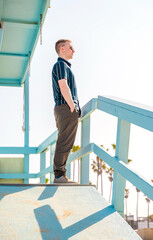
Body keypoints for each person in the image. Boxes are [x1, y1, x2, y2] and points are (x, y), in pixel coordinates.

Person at [52, 39, 81, 183]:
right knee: (64, 141)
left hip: (66, 107)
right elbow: (63, 86)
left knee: (67, 142)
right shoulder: (60, 65)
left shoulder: (64, 66)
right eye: (71, 48)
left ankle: (61, 174)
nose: (73, 50)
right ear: (62, 49)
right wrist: (72, 106)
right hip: (65, 107)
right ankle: (59, 175)